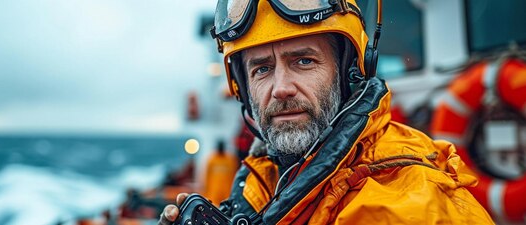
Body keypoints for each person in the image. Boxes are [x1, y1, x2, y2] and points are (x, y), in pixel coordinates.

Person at [159, 0, 494, 224]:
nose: (281, 88)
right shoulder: (267, 177)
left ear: (350, 73)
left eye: (303, 61)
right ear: (242, 89)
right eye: (261, 69)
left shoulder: (406, 206)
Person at [203, 140, 239, 206]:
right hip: (214, 191)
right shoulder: (212, 159)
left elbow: (235, 175)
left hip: (227, 191)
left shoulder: (230, 159)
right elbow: (207, 176)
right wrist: (206, 190)